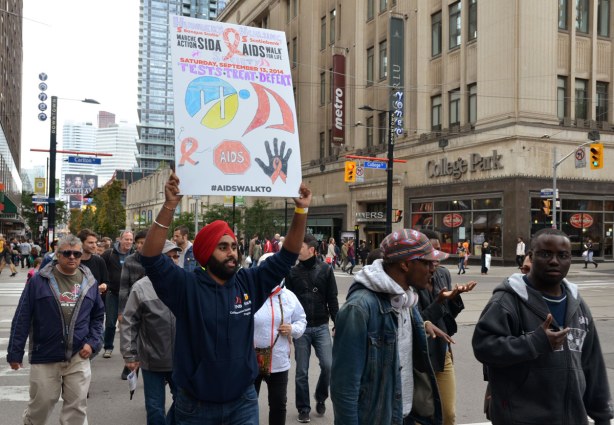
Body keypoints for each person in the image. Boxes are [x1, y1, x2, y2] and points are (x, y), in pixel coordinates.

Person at [140, 172, 312, 425]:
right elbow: (151, 259)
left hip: (242, 404)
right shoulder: (185, 286)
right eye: (223, 247)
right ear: (206, 253)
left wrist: (301, 211)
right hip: (194, 407)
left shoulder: (249, 283)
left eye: (233, 246)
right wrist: (169, 206)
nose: (231, 253)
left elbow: (287, 256)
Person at [472, 228, 613, 425]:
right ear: (530, 256)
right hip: (520, 419)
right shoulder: (506, 301)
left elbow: (593, 365)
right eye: (545, 254)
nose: (554, 261)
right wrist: (533, 342)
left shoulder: (578, 304)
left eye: (562, 255)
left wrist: (603, 416)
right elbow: (484, 347)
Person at [331, 229, 448, 425]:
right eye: (426, 262)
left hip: (403, 415)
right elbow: (344, 387)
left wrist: (425, 323)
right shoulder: (359, 309)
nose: (433, 268)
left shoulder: (406, 301)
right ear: (405, 264)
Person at [7, 234, 105, 424]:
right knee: (40, 407)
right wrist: (15, 352)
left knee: (76, 408)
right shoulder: (39, 280)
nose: (72, 257)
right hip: (45, 354)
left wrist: (93, 343)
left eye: (76, 254)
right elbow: (22, 316)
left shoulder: (90, 282)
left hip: (78, 355)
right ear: (57, 254)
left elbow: (97, 316)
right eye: (67, 253)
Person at [417, 230, 477, 425]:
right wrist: (440, 301)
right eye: (430, 252)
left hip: (442, 351)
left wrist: (455, 296)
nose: (435, 257)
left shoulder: (442, 274)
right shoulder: (412, 278)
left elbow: (448, 318)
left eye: (438, 250)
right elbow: (416, 322)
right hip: (418, 357)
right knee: (424, 414)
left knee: (448, 414)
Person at [120, 240, 183, 425]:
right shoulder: (141, 287)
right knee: (155, 408)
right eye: (168, 257)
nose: (173, 261)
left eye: (175, 256)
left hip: (181, 359)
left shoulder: (184, 281)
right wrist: (130, 355)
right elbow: (129, 321)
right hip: (152, 359)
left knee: (185, 403)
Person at [284, 233, 339, 423]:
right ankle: (303, 408)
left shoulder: (325, 270)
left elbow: (332, 298)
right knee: (301, 371)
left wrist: (337, 323)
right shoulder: (292, 272)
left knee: (328, 366)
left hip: (322, 325)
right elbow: (288, 302)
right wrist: (289, 327)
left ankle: (321, 396)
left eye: (301, 246)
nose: (298, 250)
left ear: (312, 250)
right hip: (301, 328)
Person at [254, 253, 307, 425]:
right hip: (250, 360)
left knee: (278, 404)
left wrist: (293, 329)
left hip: (278, 361)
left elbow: (301, 319)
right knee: (247, 404)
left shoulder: (288, 296)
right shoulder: (250, 293)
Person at [101, 230, 135, 358]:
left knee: (129, 323)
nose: (129, 242)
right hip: (113, 293)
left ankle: (129, 348)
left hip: (130, 295)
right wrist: (104, 283)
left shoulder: (135, 255)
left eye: (131, 240)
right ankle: (108, 347)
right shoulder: (109, 254)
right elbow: (100, 268)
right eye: (126, 239)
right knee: (110, 323)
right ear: (120, 240)